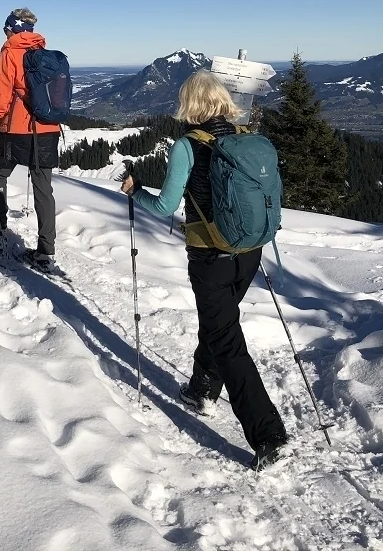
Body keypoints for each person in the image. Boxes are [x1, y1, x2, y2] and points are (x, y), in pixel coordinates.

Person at [119, 69, 289, 470]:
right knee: (220, 324)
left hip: (210, 257)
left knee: (226, 337)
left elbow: (163, 208)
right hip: (250, 251)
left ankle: (268, 434)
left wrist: (135, 191)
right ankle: (202, 388)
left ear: (190, 105)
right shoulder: (245, 139)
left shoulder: (186, 146)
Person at [0, 8, 60, 271]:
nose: (4, 33)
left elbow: (1, 101)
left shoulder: (10, 53)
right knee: (44, 189)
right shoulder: (44, 54)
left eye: (5, 29)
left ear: (12, 28)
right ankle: (45, 252)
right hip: (48, 129)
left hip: (17, 131)